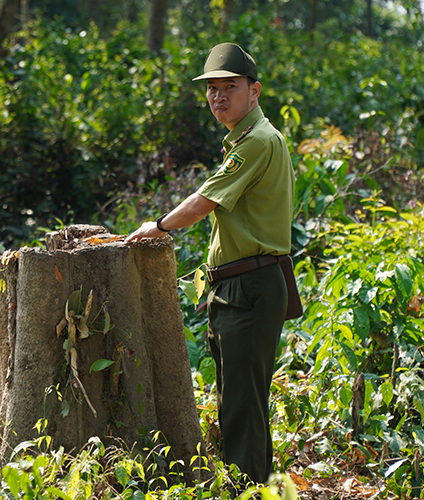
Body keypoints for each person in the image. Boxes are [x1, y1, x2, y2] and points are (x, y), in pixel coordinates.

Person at [125, 42, 296, 484]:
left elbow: (203, 201)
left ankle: (249, 487)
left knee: (242, 403)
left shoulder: (257, 141)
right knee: (238, 400)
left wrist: (158, 225)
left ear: (254, 91)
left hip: (252, 286)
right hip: (237, 286)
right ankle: (256, 487)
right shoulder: (245, 139)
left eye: (230, 87)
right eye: (212, 89)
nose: (219, 97)